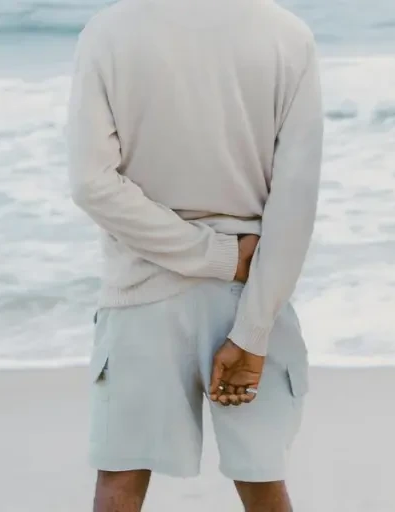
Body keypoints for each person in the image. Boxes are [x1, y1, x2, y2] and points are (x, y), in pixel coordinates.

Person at [65, 0, 322, 509]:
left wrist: (211, 255)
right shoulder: (286, 34)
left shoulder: (110, 30)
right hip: (248, 291)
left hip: (144, 289)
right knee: (263, 483)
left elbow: (92, 184)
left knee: (120, 479)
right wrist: (251, 325)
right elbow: (295, 200)